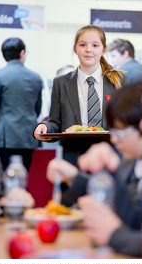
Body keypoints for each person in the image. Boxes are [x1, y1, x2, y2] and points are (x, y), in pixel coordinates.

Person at [47, 80, 142, 256]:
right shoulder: (129, 163)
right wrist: (75, 177)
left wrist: (114, 234)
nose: (115, 140)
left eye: (121, 132)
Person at [33, 25, 127, 170]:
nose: (88, 49)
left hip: (109, 158)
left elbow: (126, 122)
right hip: (72, 160)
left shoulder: (120, 81)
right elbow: (56, 123)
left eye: (95, 45)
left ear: (103, 50)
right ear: (75, 49)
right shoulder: (61, 83)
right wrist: (44, 126)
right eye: (83, 45)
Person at [0, 37, 43, 171]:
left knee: (6, 175)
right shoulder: (35, 78)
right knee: (25, 174)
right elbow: (37, 109)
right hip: (29, 136)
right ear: (22, 53)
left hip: (6, 137)